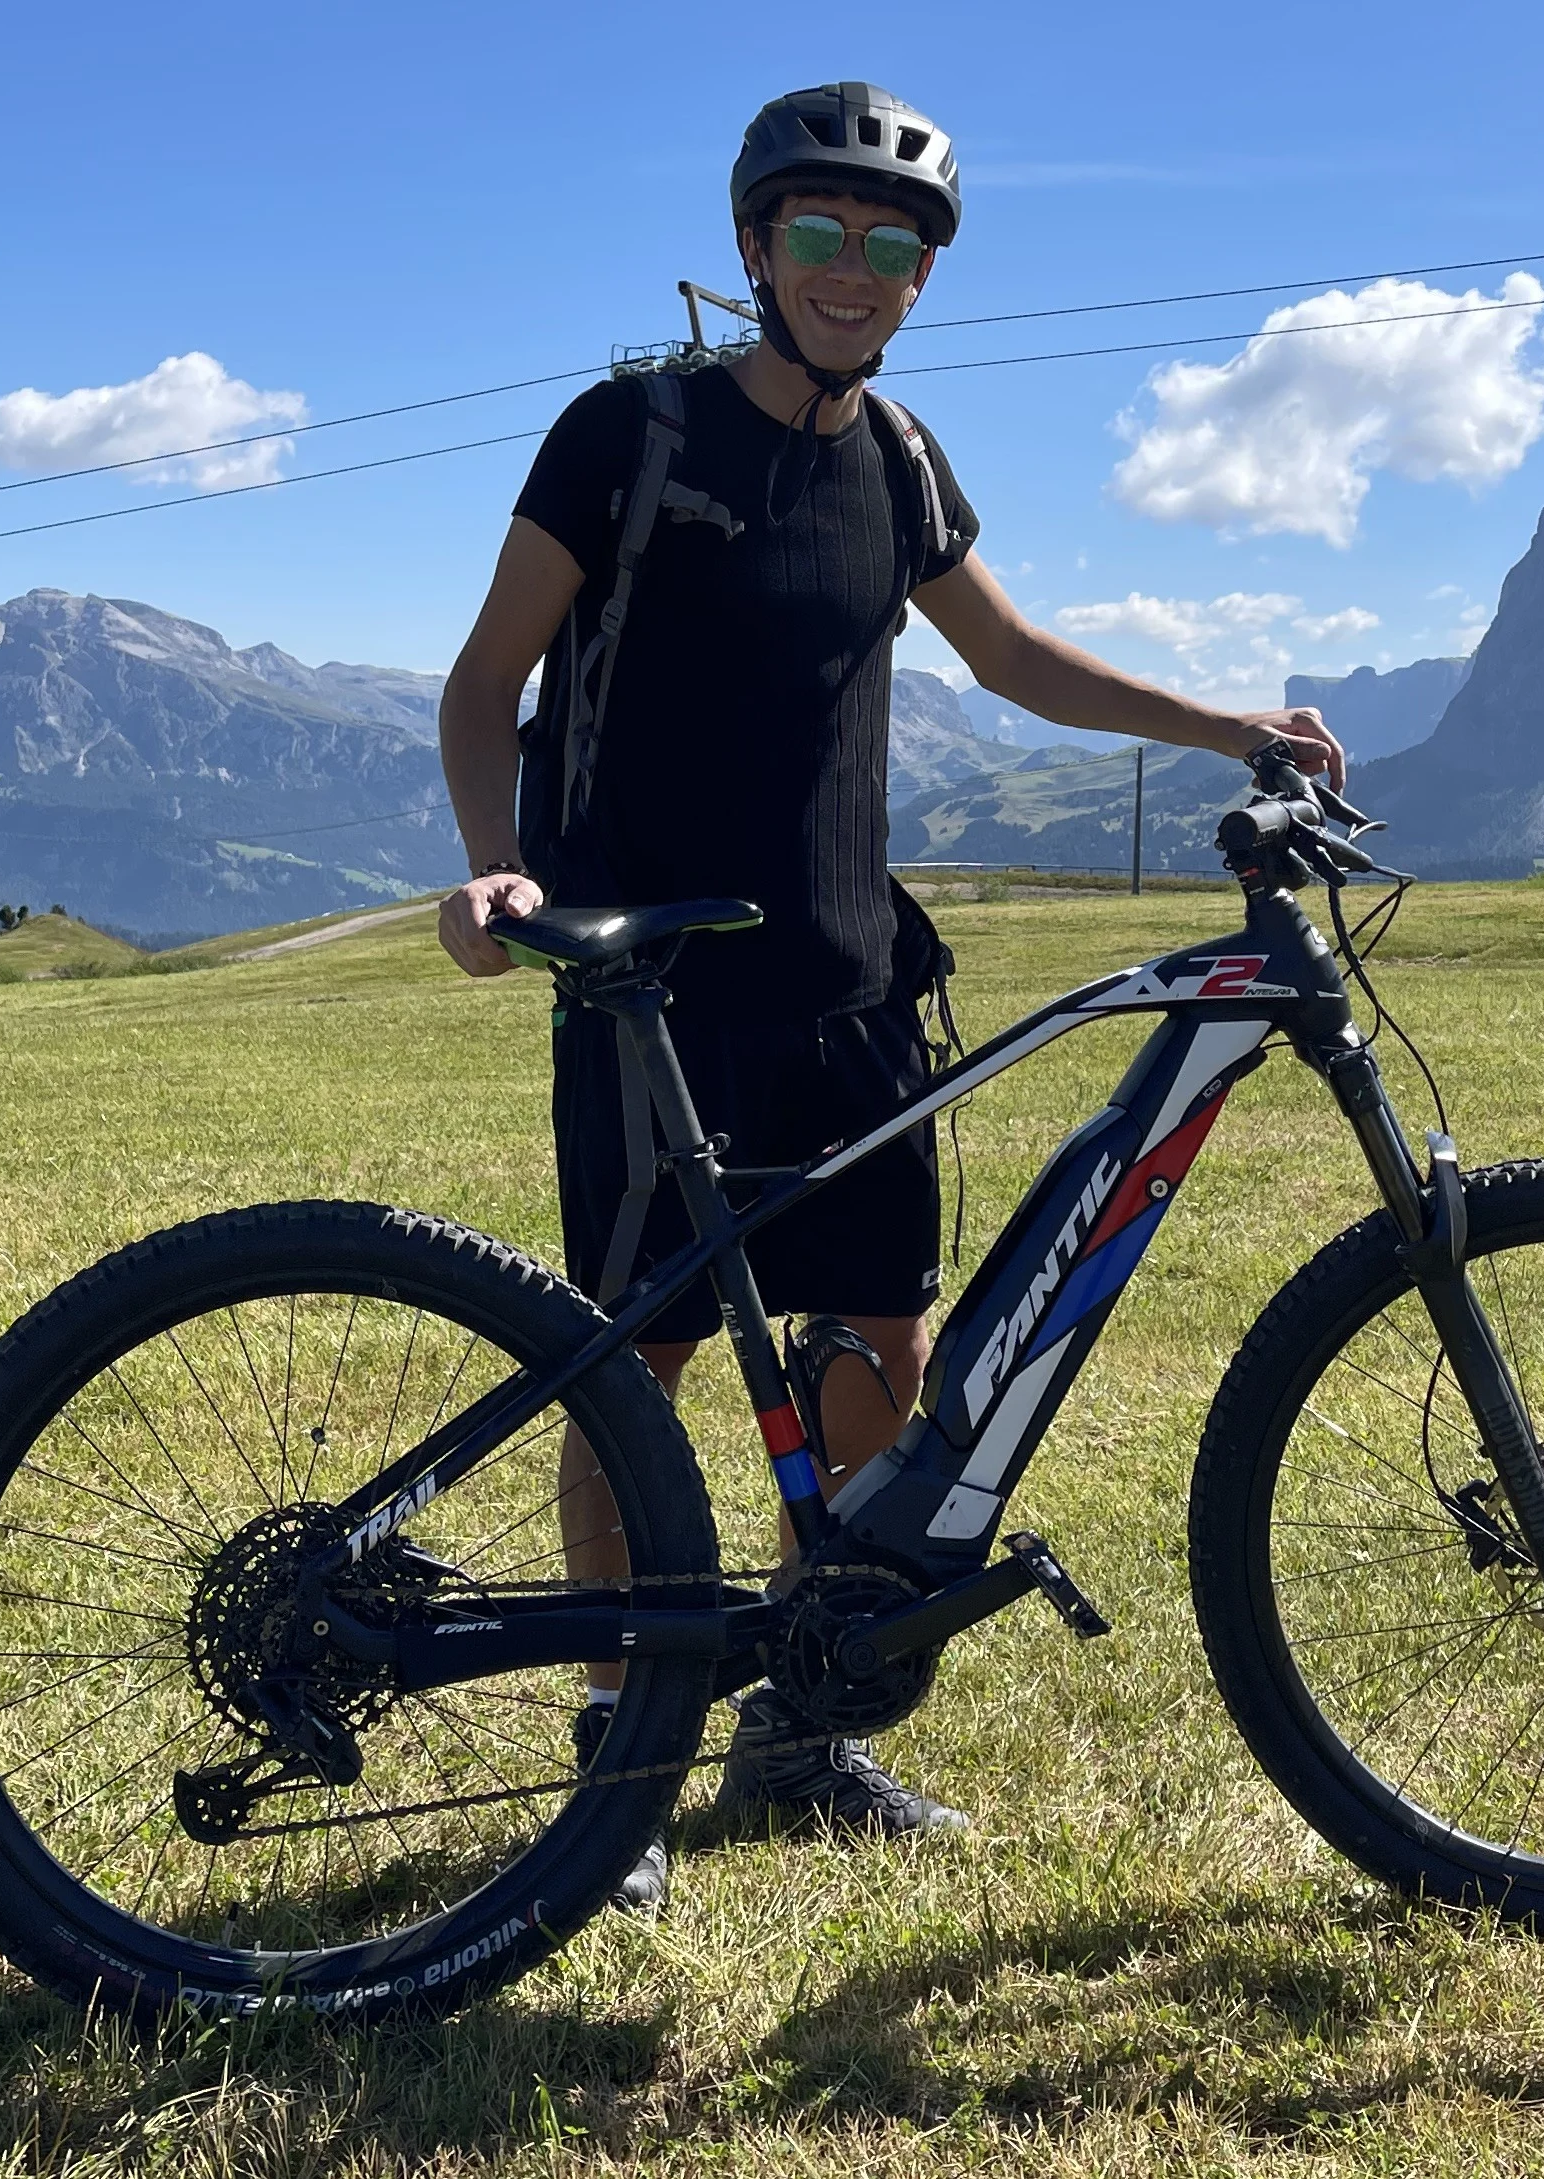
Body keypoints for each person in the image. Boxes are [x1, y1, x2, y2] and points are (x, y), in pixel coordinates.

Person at [433, 82, 1343, 1911]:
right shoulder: (629, 434)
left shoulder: (899, 457)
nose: (858, 272)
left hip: (851, 984)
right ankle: (620, 1771)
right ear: (758, 246)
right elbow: (484, 684)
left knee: (882, 1357)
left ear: (924, 278)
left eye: (896, 246)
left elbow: (1009, 657)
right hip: (655, 991)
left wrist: (1229, 718)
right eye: (824, 236)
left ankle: (800, 1726)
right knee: (645, 1372)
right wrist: (495, 860)